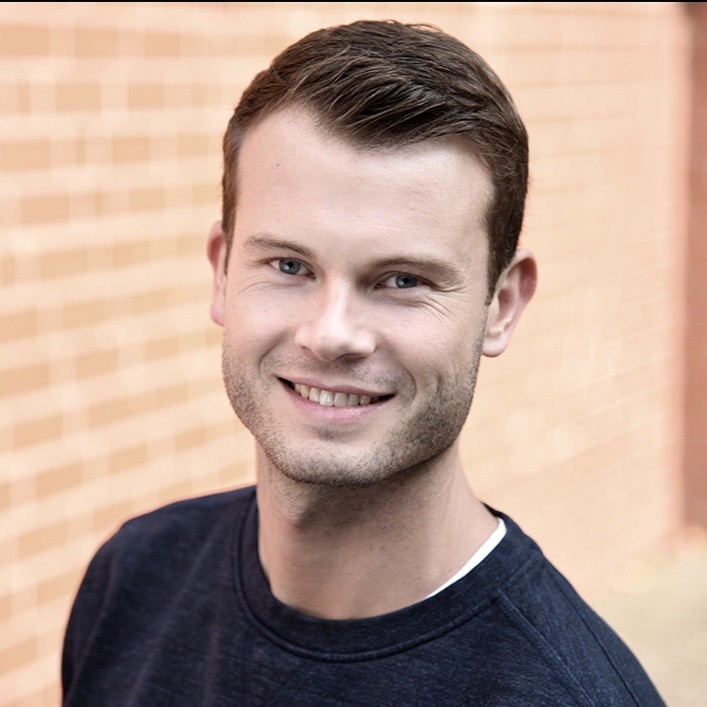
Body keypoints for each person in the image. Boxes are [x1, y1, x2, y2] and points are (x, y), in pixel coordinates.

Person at [61, 18, 665, 706]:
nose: (331, 335)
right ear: (222, 271)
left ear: (501, 304)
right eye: (289, 265)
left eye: (402, 280)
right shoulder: (133, 582)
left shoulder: (567, 693)